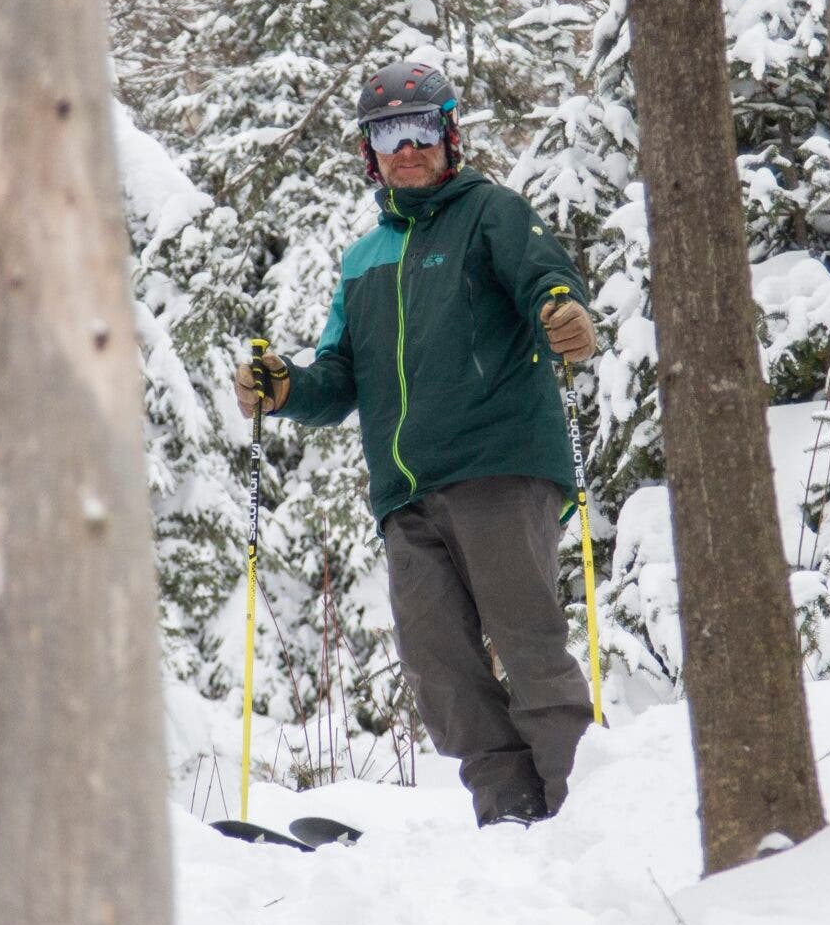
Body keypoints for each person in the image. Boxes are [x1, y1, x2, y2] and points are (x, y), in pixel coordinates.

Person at [234, 60, 601, 827]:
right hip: (406, 495)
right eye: (387, 134)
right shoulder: (363, 261)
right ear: (370, 152)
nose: (407, 148)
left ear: (449, 135)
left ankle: (584, 815)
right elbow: (338, 379)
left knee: (528, 643)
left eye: (422, 129)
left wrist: (563, 311)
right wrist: (287, 388)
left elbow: (545, 277)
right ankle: (510, 817)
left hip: (498, 467)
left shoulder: (490, 211)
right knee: (440, 668)